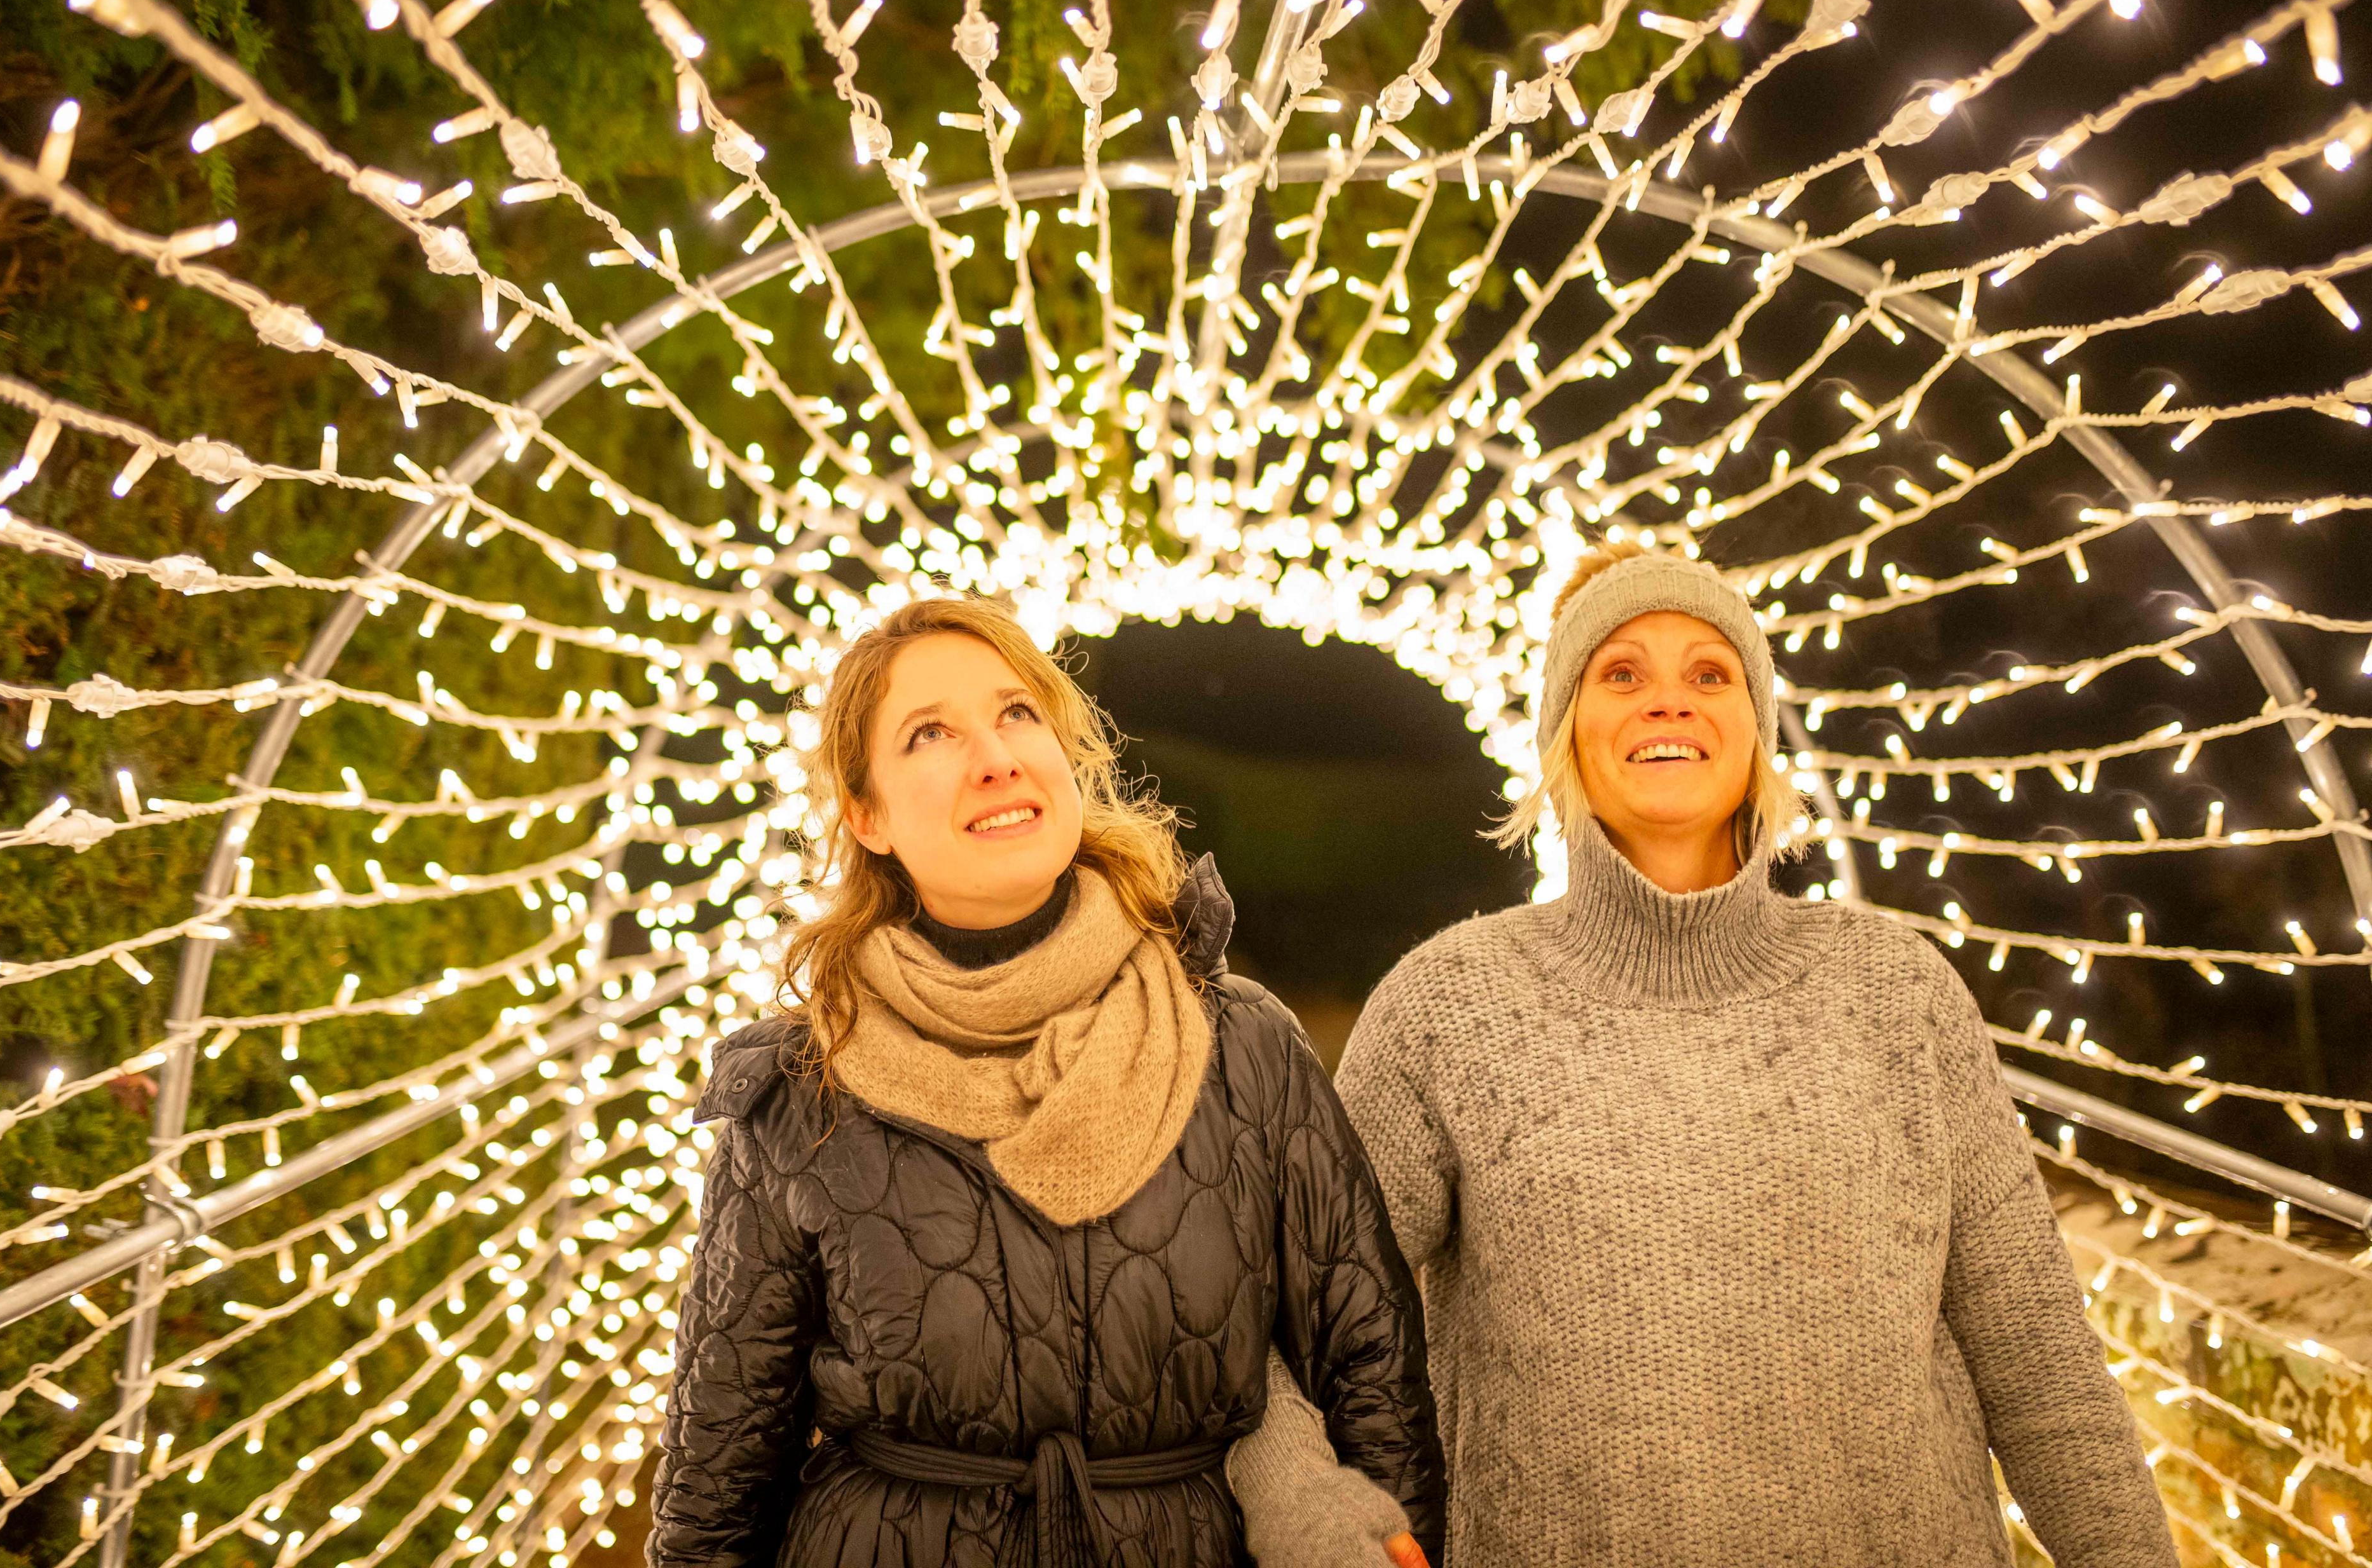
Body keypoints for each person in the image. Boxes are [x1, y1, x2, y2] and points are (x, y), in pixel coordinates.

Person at [1226, 542, 2179, 1567]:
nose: (1668, 702)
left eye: (1710, 674)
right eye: (1622, 674)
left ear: (1756, 733)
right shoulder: (1450, 1005)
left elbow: (2039, 1357)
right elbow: (1292, 1325)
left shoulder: (1894, 990)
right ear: (1565, 733)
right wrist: (1317, 1518)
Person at [647, 596, 1444, 1568]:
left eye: (1017, 713)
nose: (995, 756)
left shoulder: (1241, 1044)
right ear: (867, 815)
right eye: (930, 733)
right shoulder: (804, 1089)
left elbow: (1371, 1371)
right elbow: (720, 1475)